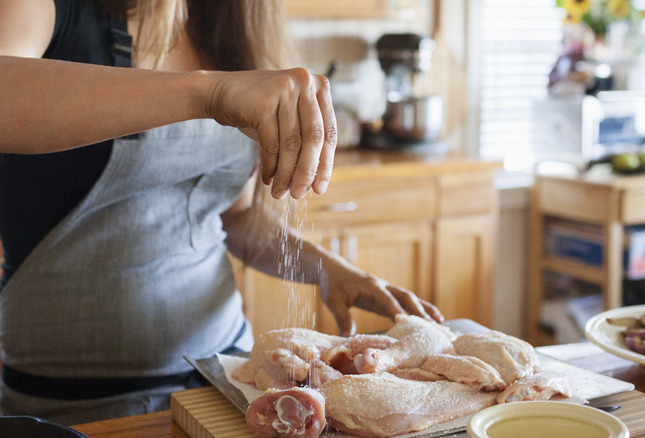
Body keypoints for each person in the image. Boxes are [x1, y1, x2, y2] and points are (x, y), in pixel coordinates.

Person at [0, 0, 444, 425]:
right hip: (70, 398)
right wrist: (206, 91)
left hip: (225, 376)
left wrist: (330, 270)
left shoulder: (225, 32)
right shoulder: (46, 8)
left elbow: (236, 217)